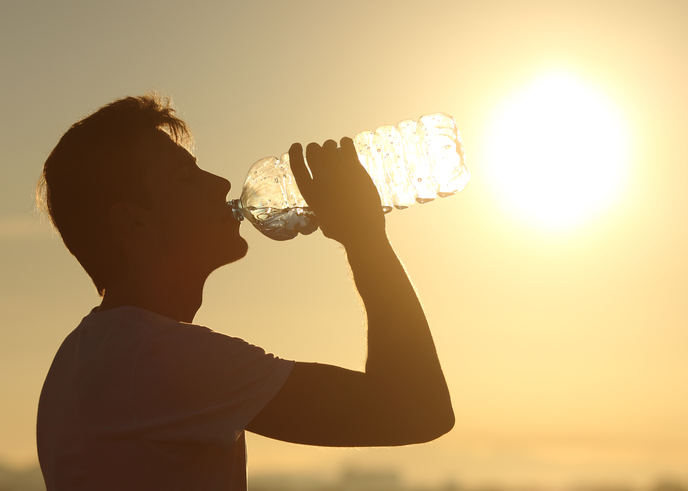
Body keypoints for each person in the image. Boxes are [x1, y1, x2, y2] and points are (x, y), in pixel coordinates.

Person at [35, 94, 454, 491]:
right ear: (135, 222)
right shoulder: (155, 358)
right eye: (186, 177)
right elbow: (416, 410)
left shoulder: (85, 356)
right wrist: (364, 237)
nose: (219, 183)